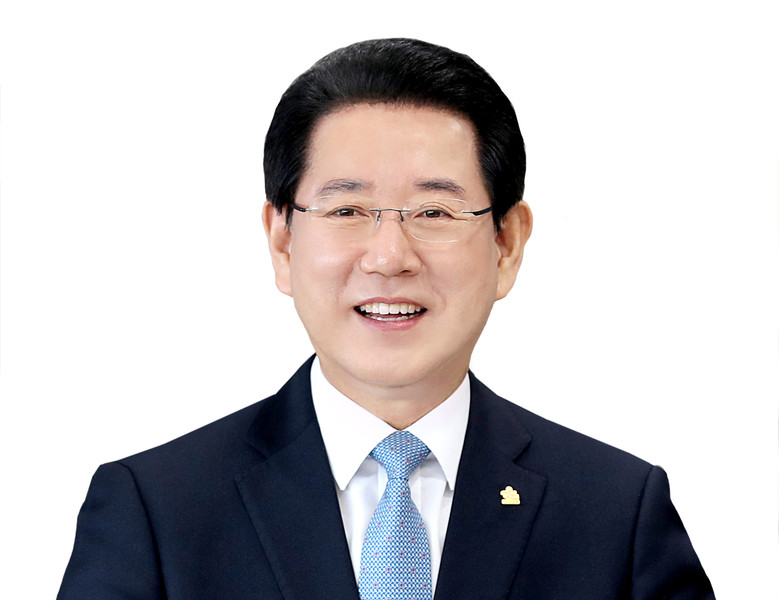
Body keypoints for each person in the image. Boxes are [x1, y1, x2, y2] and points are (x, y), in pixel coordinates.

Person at [58, 38, 714, 599]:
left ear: (507, 244)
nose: (389, 257)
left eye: (434, 212)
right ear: (283, 242)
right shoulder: (156, 511)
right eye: (347, 211)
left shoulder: (616, 513)